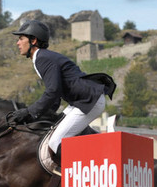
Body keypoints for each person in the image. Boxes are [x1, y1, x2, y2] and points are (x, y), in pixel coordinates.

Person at [9, 20, 115, 163]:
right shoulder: (42, 57)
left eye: (21, 39)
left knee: (55, 142)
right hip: (82, 101)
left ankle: (75, 178)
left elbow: (53, 91)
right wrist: (39, 115)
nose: (18, 43)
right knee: (54, 127)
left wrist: (29, 111)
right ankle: (101, 145)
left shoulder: (42, 58)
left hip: (88, 100)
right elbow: (55, 93)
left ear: (33, 40)